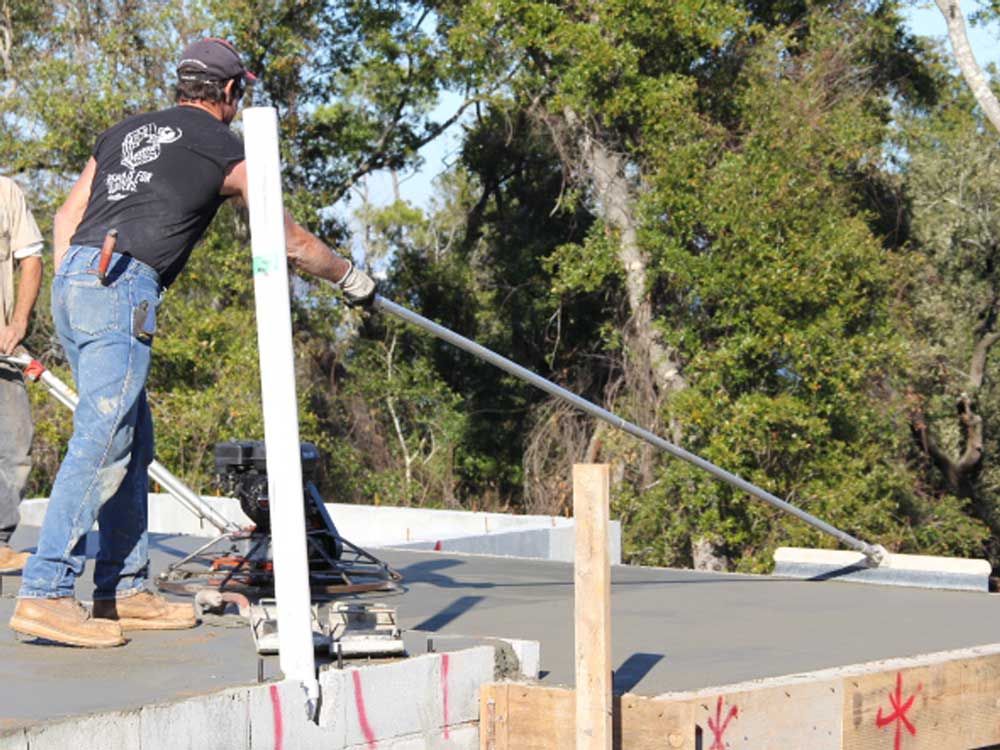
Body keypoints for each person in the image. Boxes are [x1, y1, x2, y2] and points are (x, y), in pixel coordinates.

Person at [10, 38, 375, 648]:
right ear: (231, 94)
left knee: (129, 435)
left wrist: (85, 276)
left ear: (183, 86)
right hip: (119, 285)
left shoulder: (124, 133)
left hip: (80, 280)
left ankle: (121, 590)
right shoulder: (221, 144)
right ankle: (45, 592)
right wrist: (348, 276)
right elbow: (284, 235)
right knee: (102, 439)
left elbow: (67, 215)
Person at [0, 177, 43, 573]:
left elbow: (31, 259)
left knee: (15, 445)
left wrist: (17, 323)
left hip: (3, 352)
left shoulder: (6, 192)